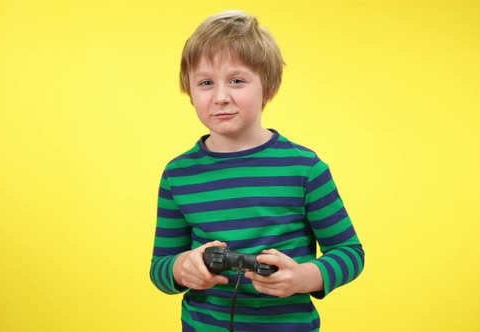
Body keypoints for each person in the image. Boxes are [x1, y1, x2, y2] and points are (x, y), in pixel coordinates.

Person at [149, 9, 365, 331]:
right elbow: (160, 268)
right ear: (190, 93)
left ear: (269, 87)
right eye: (206, 83)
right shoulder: (178, 175)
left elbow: (350, 253)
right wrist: (182, 269)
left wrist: (303, 277)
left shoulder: (305, 169)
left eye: (237, 81)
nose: (221, 97)